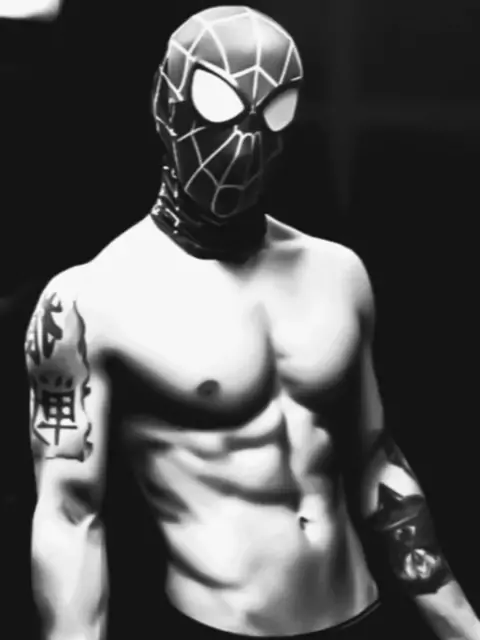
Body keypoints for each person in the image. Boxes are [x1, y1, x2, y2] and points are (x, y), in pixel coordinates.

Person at [26, 5, 480, 640]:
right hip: (222, 623)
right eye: (218, 102)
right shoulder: (86, 301)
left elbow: (376, 458)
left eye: (272, 110)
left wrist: (460, 622)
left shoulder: (337, 272)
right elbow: (71, 515)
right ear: (167, 104)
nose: (244, 138)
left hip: (363, 612)